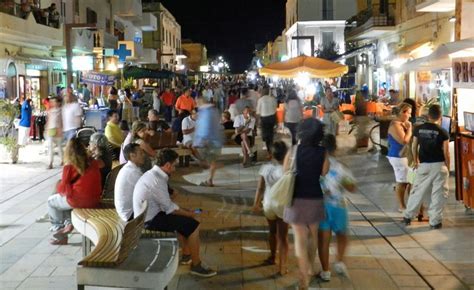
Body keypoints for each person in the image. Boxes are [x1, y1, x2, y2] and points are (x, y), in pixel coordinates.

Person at [133, 149, 217, 277]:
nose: (175, 169)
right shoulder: (157, 180)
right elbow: (170, 208)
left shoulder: (153, 174)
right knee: (194, 225)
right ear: (167, 165)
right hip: (149, 221)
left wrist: (184, 212)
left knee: (183, 222)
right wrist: (190, 214)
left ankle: (186, 255)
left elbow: (167, 205)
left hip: (148, 215)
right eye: (174, 165)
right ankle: (196, 265)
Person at [283, 118, 329, 289]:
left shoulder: (294, 150)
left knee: (300, 240)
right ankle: (309, 267)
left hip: (296, 198)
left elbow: (285, 171)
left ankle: (304, 280)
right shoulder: (323, 152)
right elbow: (324, 172)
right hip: (315, 197)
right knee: (313, 236)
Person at [48, 137, 102, 245]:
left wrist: (58, 187)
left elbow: (64, 189)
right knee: (65, 202)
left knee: (52, 201)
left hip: (78, 200)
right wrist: (92, 154)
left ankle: (59, 229)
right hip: (95, 200)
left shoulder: (69, 166)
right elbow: (101, 164)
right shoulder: (93, 162)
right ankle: (68, 224)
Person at [403, 104, 449, 229]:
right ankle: (434, 221)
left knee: (417, 190)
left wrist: (416, 159)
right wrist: (448, 166)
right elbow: (446, 152)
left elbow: (414, 146)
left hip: (423, 164)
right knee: (438, 194)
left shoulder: (419, 129)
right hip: (438, 165)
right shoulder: (443, 132)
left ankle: (408, 216)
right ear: (440, 117)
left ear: (428, 116)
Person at [318, 134, 356, 281]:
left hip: (322, 206)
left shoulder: (316, 165)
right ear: (335, 148)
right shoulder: (342, 167)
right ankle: (339, 262)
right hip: (339, 205)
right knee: (342, 235)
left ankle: (325, 271)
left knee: (323, 240)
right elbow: (352, 187)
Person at [253, 141, 289, 275]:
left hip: (268, 204)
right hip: (282, 205)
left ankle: (272, 257)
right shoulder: (288, 170)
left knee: (272, 231)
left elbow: (260, 188)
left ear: (271, 155)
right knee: (283, 237)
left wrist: (256, 203)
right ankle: (282, 266)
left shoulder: (265, 168)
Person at [387, 103, 413, 212]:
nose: (410, 116)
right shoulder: (395, 125)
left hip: (406, 156)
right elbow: (404, 140)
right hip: (398, 157)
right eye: (409, 113)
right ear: (403, 112)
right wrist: (410, 129)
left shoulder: (402, 124)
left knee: (410, 180)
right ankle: (402, 206)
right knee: (402, 181)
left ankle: (412, 204)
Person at [194, 97, 223, 187]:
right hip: (216, 140)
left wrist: (202, 139)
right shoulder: (214, 111)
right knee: (212, 161)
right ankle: (210, 179)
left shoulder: (205, 112)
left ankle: (211, 174)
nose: (196, 105)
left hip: (208, 141)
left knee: (203, 159)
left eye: (197, 102)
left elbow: (205, 126)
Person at [115, 143, 146, 221]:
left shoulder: (130, 168)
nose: (143, 155)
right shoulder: (132, 172)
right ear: (132, 156)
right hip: (129, 215)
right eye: (141, 153)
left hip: (125, 212)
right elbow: (148, 191)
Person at [256, 85, 277, 159]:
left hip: (264, 119)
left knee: (266, 136)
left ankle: (269, 152)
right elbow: (275, 109)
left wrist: (258, 121)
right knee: (270, 135)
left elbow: (258, 112)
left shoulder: (260, 100)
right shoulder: (272, 99)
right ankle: (271, 150)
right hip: (272, 118)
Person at [46, 97, 63, 169]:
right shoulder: (50, 111)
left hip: (58, 130)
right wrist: (47, 129)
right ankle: (50, 162)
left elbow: (62, 121)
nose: (53, 103)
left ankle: (62, 160)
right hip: (51, 130)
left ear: (58, 103)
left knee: (59, 147)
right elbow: (48, 121)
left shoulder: (61, 111)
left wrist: (61, 129)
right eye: (52, 102)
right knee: (50, 147)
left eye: (54, 101)